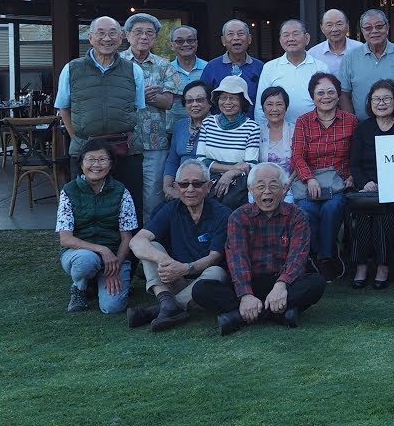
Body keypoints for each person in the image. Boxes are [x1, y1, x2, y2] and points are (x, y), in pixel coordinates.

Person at [192, 163, 328, 335]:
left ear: (284, 188)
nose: (267, 191)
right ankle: (280, 314)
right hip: (250, 281)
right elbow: (237, 258)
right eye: (261, 186)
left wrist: (281, 285)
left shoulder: (297, 215)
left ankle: (238, 316)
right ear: (250, 189)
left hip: (283, 283)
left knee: (316, 283)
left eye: (273, 185)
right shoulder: (239, 216)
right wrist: (245, 295)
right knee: (201, 290)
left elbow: (298, 257)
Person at [55, 15, 148, 223]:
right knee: (84, 203)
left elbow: (137, 108)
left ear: (121, 37)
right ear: (90, 37)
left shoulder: (133, 70)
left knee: (130, 203)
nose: (107, 38)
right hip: (85, 150)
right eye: (101, 33)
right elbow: (64, 108)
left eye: (113, 33)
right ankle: (87, 248)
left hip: (125, 150)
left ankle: (130, 251)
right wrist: (78, 139)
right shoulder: (72, 69)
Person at [126, 159, 231, 332]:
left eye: (197, 184)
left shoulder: (222, 214)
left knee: (216, 272)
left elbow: (215, 257)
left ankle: (161, 309)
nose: (190, 189)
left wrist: (185, 268)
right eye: (184, 184)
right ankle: (167, 301)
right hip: (175, 278)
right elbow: (136, 241)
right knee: (150, 246)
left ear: (209, 187)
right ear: (175, 186)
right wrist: (166, 261)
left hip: (204, 283)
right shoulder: (170, 209)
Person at [56, 139, 138, 314]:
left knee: (112, 307)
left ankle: (95, 284)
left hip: (115, 256)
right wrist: (102, 250)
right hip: (80, 255)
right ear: (81, 164)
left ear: (111, 164)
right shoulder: (69, 191)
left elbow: (126, 238)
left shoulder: (121, 191)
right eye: (90, 159)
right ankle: (79, 287)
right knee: (87, 260)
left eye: (102, 159)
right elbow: (65, 238)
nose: (96, 165)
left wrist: (116, 266)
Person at [290, 72, 357, 280]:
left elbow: (358, 153)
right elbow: (297, 156)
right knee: (307, 209)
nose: (326, 97)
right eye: (320, 93)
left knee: (332, 207)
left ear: (338, 95)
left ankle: (327, 257)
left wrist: (353, 175)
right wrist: (309, 178)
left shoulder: (350, 121)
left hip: (339, 182)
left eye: (331, 92)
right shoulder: (303, 122)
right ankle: (313, 255)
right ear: (313, 96)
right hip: (309, 181)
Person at [347, 80, 394, 290]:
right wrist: (366, 183)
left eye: (387, 98)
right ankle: (361, 265)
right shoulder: (363, 128)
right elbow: (354, 164)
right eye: (376, 99)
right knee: (363, 211)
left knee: (384, 210)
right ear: (370, 103)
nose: (381, 103)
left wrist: (388, 184)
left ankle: (383, 264)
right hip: (367, 186)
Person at [120, 12, 173, 220]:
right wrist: (139, 95)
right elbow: (112, 100)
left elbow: (168, 102)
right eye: (138, 32)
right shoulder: (117, 63)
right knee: (126, 193)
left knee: (153, 196)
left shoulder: (164, 65)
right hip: (124, 141)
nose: (144, 37)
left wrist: (145, 98)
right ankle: (127, 240)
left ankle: (151, 239)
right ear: (127, 35)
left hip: (155, 141)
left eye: (149, 33)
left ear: (155, 38)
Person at [196, 75, 262, 209]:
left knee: (229, 204)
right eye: (223, 97)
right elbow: (201, 160)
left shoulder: (252, 127)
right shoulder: (208, 123)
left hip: (238, 183)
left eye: (233, 98)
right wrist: (230, 169)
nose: (227, 102)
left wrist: (230, 174)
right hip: (209, 180)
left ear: (242, 101)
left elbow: (250, 165)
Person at [339, 8, 394, 121]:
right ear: (362, 31)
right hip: (361, 126)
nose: (374, 31)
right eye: (368, 28)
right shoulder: (350, 57)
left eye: (379, 26)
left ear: (387, 27)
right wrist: (350, 122)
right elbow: (344, 93)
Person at [257, 19, 327, 122]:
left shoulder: (321, 68)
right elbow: (260, 105)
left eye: (296, 34)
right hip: (279, 131)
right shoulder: (269, 67)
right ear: (280, 40)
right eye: (286, 35)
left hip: (314, 130)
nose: (291, 39)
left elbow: (328, 102)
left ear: (306, 38)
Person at [201, 19, 264, 116]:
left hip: (252, 127)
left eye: (240, 34)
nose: (236, 38)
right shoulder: (212, 67)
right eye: (230, 34)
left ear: (249, 39)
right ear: (223, 41)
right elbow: (204, 100)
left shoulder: (260, 67)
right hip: (220, 128)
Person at [162, 80, 211, 203]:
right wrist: (167, 187)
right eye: (189, 101)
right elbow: (172, 160)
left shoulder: (217, 126)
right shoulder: (179, 126)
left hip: (205, 188)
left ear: (210, 103)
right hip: (182, 186)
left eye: (199, 100)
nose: (194, 104)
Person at [162, 25, 208, 134]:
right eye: (179, 41)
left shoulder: (209, 68)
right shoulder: (164, 70)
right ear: (171, 45)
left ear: (196, 43)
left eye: (190, 40)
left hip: (205, 131)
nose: (186, 44)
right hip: (172, 131)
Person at [308, 8, 365, 77]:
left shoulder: (361, 49)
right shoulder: (313, 54)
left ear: (347, 26)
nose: (334, 29)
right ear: (322, 28)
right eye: (329, 25)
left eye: (339, 24)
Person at [258, 86, 295, 176]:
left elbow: (302, 161)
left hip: (291, 183)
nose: (274, 109)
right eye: (269, 104)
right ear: (263, 108)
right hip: (262, 183)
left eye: (279, 104)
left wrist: (289, 182)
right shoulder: (256, 131)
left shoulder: (296, 130)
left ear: (286, 107)